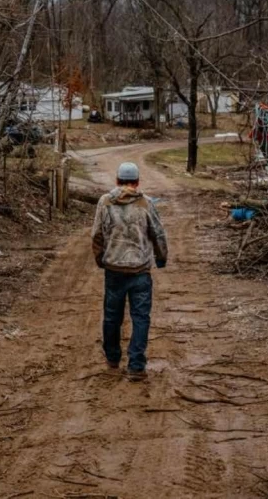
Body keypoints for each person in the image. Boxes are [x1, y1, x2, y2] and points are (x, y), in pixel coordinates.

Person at [91, 161, 168, 382]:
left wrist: (100, 259)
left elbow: (96, 234)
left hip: (114, 269)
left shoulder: (105, 202)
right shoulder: (145, 203)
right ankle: (136, 365)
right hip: (140, 271)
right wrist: (161, 258)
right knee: (141, 317)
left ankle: (113, 358)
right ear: (137, 181)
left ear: (117, 181)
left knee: (112, 317)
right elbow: (158, 233)